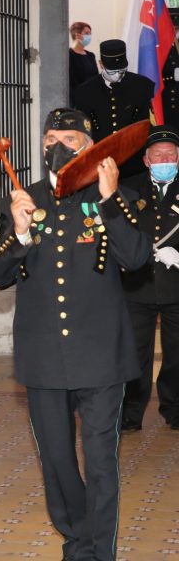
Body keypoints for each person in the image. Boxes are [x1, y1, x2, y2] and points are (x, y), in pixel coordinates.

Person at [0, 108, 151, 561]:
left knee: (100, 460)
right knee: (56, 460)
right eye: (50, 139)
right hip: (44, 354)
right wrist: (19, 233)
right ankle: (78, 539)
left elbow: (136, 258)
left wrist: (110, 199)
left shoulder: (115, 194)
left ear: (90, 147)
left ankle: (100, 552)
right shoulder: (25, 198)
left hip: (101, 354)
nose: (58, 147)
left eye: (70, 140)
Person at [121, 124, 179, 431]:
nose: (165, 160)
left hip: (176, 287)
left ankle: (175, 408)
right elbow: (117, 231)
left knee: (177, 354)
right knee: (134, 353)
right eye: (158, 155)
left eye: (171, 155)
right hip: (137, 286)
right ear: (146, 160)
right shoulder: (128, 189)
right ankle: (131, 412)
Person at [74, 39, 154, 178]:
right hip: (99, 165)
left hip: (135, 165)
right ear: (101, 64)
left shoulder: (143, 86)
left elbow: (150, 125)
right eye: (112, 70)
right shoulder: (84, 92)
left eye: (121, 70)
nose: (117, 74)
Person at [68, 22, 98, 105]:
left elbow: (96, 77)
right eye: (87, 33)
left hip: (93, 98)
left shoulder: (90, 55)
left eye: (90, 33)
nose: (89, 36)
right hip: (77, 100)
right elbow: (71, 81)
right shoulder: (69, 55)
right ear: (77, 35)